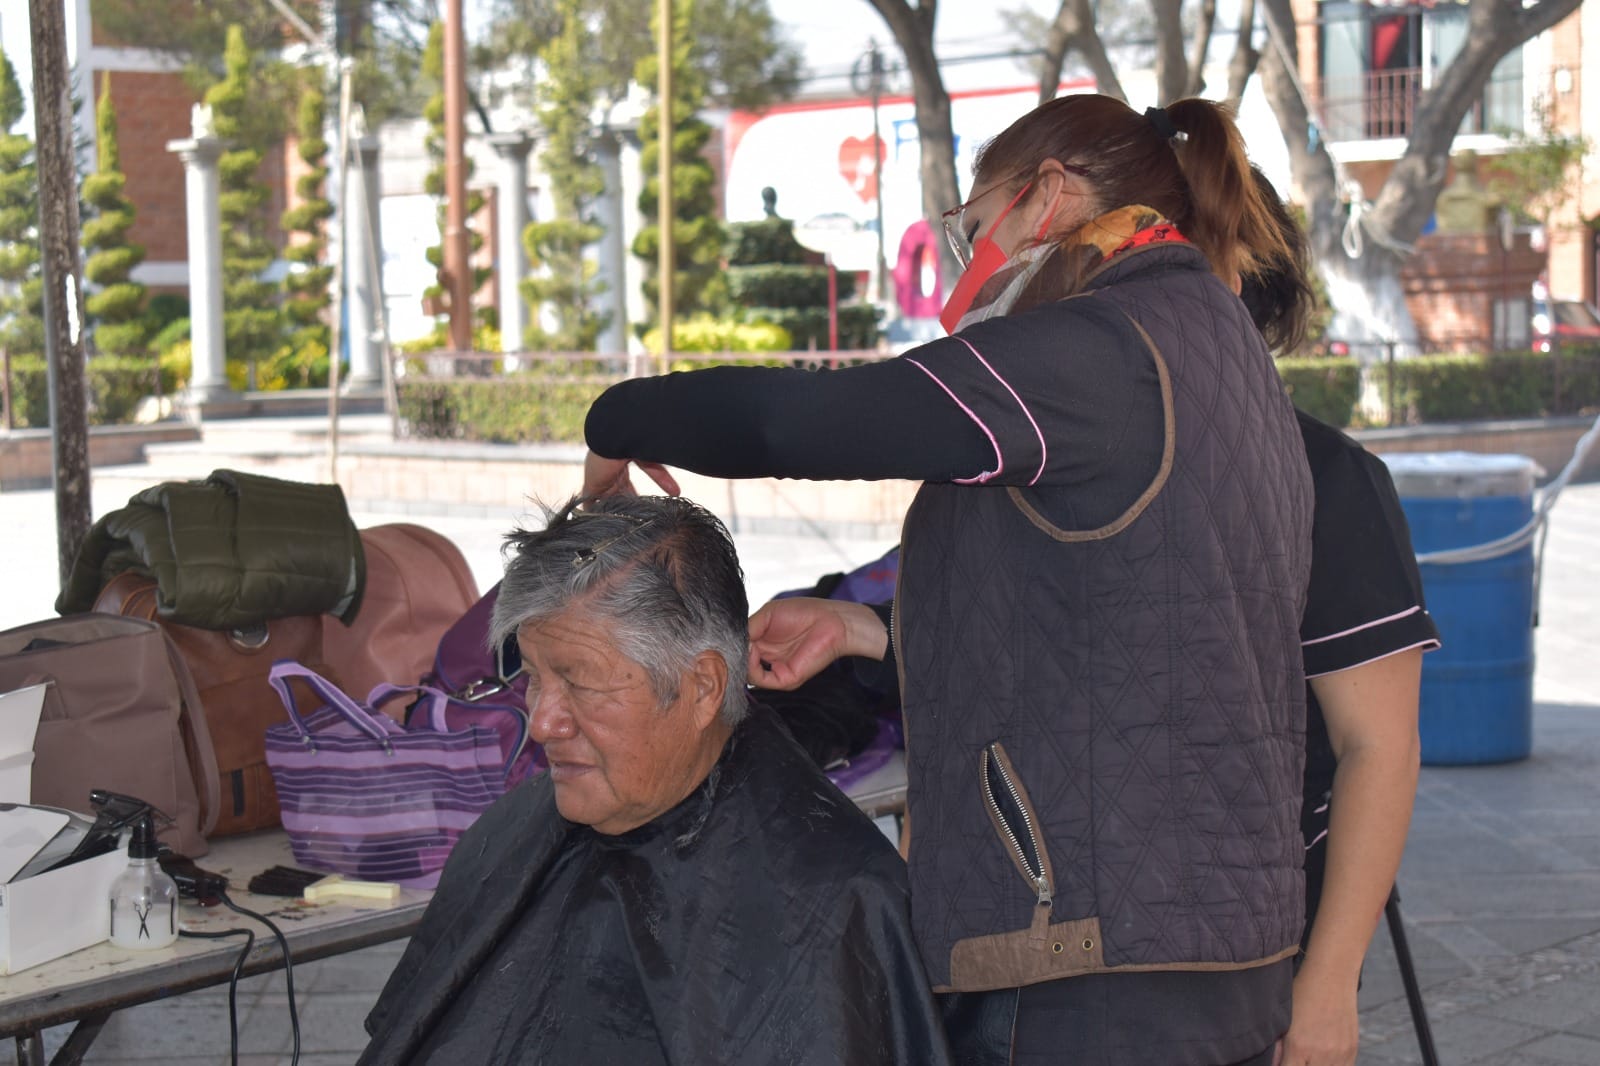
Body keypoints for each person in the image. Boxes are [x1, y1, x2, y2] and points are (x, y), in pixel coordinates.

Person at [584, 95, 1314, 1065]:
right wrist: (866, 630)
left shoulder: (1097, 349)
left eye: (976, 228)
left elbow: (799, 423)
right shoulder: (1218, 349)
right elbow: (1131, 619)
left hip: (1088, 952)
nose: (972, 260)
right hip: (1217, 935)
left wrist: (622, 414)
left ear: (1047, 196)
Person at [356, 495, 951, 1066]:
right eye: (535, 677)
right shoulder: (507, 832)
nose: (540, 723)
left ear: (701, 688)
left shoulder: (838, 904)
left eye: (581, 684)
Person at [1242, 171, 1441, 1066]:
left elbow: (1381, 749)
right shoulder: (1086, 478)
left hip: (1267, 946)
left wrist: (1326, 988)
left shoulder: (1328, 479)